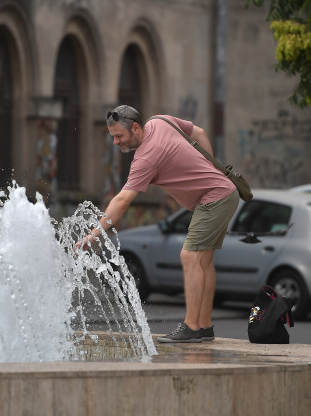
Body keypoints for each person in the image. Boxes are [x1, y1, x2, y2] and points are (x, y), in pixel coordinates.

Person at [80, 105, 239, 343]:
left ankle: (193, 327)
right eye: (112, 136)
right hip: (225, 191)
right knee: (202, 259)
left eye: (119, 136)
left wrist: (94, 234)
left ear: (135, 128)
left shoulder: (145, 158)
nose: (115, 142)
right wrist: (212, 170)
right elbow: (200, 133)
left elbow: (122, 200)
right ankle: (204, 325)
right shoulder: (159, 121)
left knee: (190, 256)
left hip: (214, 198)